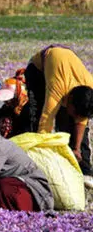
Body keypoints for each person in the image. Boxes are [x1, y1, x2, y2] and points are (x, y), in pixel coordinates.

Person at [25, 45, 93, 176]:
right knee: (37, 119)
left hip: (64, 66)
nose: (75, 117)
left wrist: (77, 148)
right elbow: (46, 121)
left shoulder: (89, 89)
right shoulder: (57, 89)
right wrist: (43, 154)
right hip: (38, 70)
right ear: (70, 98)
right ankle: (33, 166)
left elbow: (81, 120)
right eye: (74, 113)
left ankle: (84, 170)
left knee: (70, 125)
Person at [0, 69, 30, 138]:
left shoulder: (28, 109)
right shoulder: (8, 107)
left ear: (18, 95)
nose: (6, 102)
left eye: (9, 99)